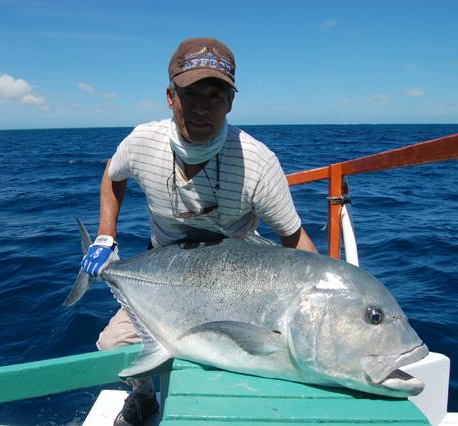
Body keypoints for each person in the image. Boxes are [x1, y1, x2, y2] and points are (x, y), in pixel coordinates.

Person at [80, 37, 317, 426]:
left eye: (215, 95)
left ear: (230, 103)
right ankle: (144, 397)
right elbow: (112, 173)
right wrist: (106, 236)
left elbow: (293, 239)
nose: (202, 109)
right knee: (111, 347)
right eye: (190, 95)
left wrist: (324, 301)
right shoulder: (143, 143)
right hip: (164, 272)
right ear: (170, 97)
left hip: (238, 282)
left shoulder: (257, 163)